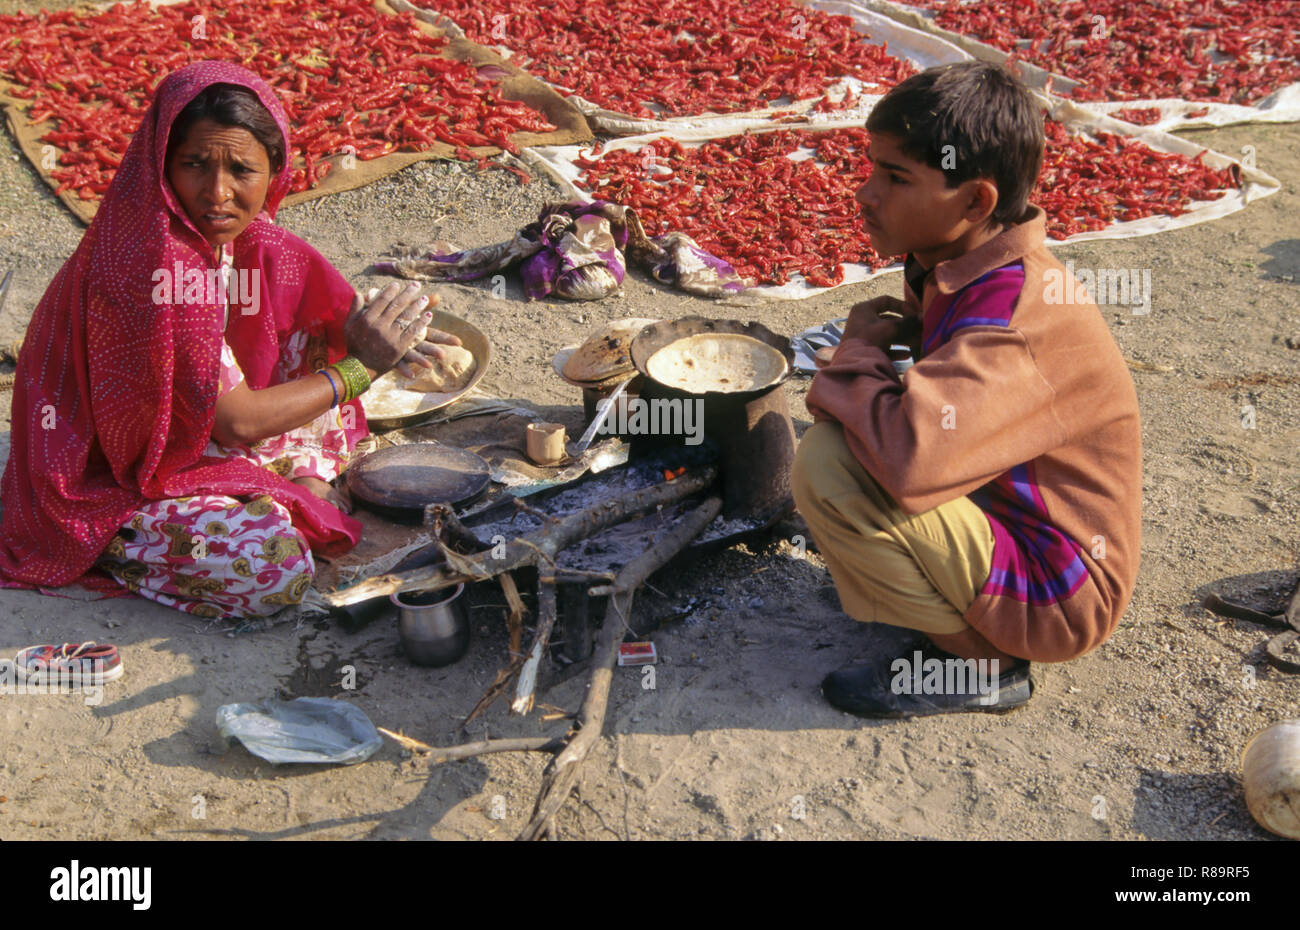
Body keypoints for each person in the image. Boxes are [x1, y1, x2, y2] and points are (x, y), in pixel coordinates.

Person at [0, 61, 460, 620]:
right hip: (100, 471)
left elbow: (315, 298)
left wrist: (375, 331)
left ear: (275, 170)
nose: (216, 193)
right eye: (194, 165)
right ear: (162, 165)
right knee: (272, 567)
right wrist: (363, 366)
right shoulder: (163, 263)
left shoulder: (236, 234)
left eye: (241, 169)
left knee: (288, 281)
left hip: (183, 425)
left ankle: (282, 477)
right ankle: (108, 543)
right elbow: (237, 421)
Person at [791, 61, 1141, 717]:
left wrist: (858, 349)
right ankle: (937, 598)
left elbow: (911, 461)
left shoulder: (1012, 317)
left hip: (1062, 586)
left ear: (976, 202)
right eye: (874, 169)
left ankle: (985, 666)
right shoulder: (956, 263)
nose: (866, 194)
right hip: (1014, 519)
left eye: (895, 178)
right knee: (851, 448)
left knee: (829, 465)